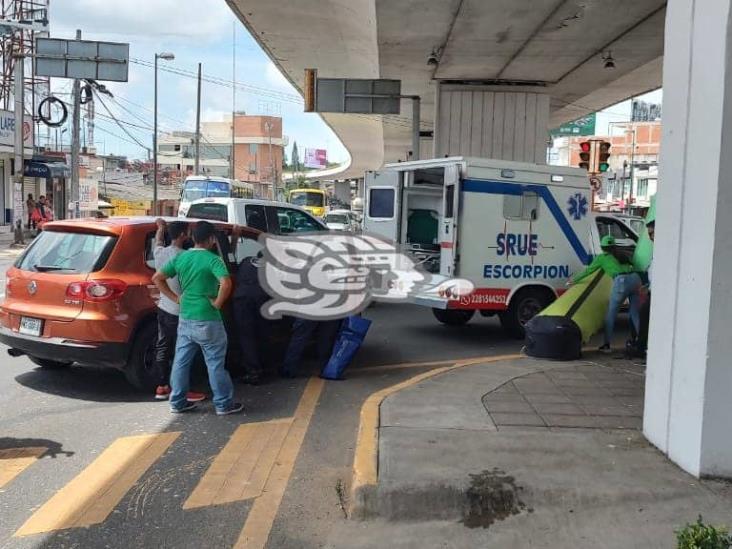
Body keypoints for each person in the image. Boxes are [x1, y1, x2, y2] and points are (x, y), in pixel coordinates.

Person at [152, 221, 243, 415]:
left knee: (181, 362)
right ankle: (223, 404)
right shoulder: (213, 260)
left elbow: (157, 278)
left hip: (185, 317)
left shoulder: (181, 258)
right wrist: (218, 303)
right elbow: (226, 283)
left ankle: (177, 402)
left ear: (192, 238)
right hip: (208, 318)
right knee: (215, 362)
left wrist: (176, 298)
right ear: (211, 239)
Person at [152, 218, 206, 402]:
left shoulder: (159, 252)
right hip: (182, 310)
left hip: (163, 308)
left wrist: (160, 228)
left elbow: (158, 241)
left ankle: (162, 386)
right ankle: (183, 389)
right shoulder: (185, 256)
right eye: (188, 232)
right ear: (183, 235)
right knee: (183, 351)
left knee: (163, 346)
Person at [569, 234, 641, 352]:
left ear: (602, 247)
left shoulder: (602, 258)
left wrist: (573, 280)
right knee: (634, 313)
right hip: (635, 279)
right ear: (614, 246)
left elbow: (589, 270)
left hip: (621, 282)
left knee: (610, 315)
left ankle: (606, 345)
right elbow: (633, 265)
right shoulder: (623, 254)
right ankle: (642, 344)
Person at [230, 226, 269, 385]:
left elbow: (230, 259)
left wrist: (234, 238)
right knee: (261, 333)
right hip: (261, 300)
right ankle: (260, 368)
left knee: (246, 335)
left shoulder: (246, 261)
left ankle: (253, 370)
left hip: (242, 299)